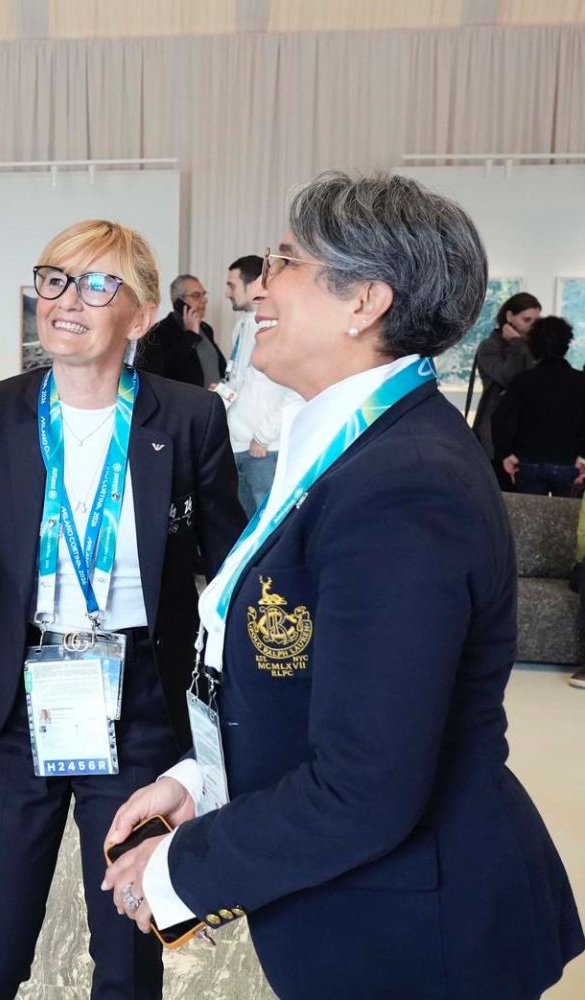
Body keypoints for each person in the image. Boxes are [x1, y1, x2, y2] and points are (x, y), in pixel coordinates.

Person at [101, 172, 584, 1000]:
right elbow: (310, 684)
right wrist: (198, 779)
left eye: (285, 262)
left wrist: (181, 869)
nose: (259, 287)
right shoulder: (354, 443)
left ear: (363, 301)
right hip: (377, 910)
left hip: (416, 934)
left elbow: (365, 784)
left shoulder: (404, 481)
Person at [0, 219, 245, 999]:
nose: (66, 300)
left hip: (140, 703)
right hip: (12, 701)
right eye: (54, 280)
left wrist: (222, 734)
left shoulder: (187, 418)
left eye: (97, 285)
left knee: (127, 953)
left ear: (143, 313)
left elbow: (227, 576)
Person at [222, 255, 302, 516]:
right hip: (236, 444)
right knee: (242, 525)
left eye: (232, 286)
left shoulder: (282, 326)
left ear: (255, 284)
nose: (227, 293)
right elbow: (239, 379)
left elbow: (297, 389)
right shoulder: (242, 326)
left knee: (268, 523)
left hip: (263, 449)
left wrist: (263, 435)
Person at [494, 316, 585, 497]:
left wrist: (505, 453)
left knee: (529, 514)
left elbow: (499, 417)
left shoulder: (522, 381)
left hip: (527, 462)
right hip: (568, 463)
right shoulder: (581, 382)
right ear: (566, 345)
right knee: (566, 515)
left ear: (533, 345)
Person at [470, 291, 541, 489]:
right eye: (527, 319)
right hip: (494, 434)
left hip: (525, 432)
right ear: (509, 316)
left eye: (536, 321)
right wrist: (517, 344)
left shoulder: (531, 347)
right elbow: (509, 378)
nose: (532, 326)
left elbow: (536, 382)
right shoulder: (489, 347)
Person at [135, 274, 226, 388]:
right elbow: (164, 371)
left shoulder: (206, 329)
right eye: (196, 295)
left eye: (204, 294)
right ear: (179, 301)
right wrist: (191, 335)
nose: (204, 300)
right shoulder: (159, 333)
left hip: (214, 397)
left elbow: (220, 367)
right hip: (186, 398)